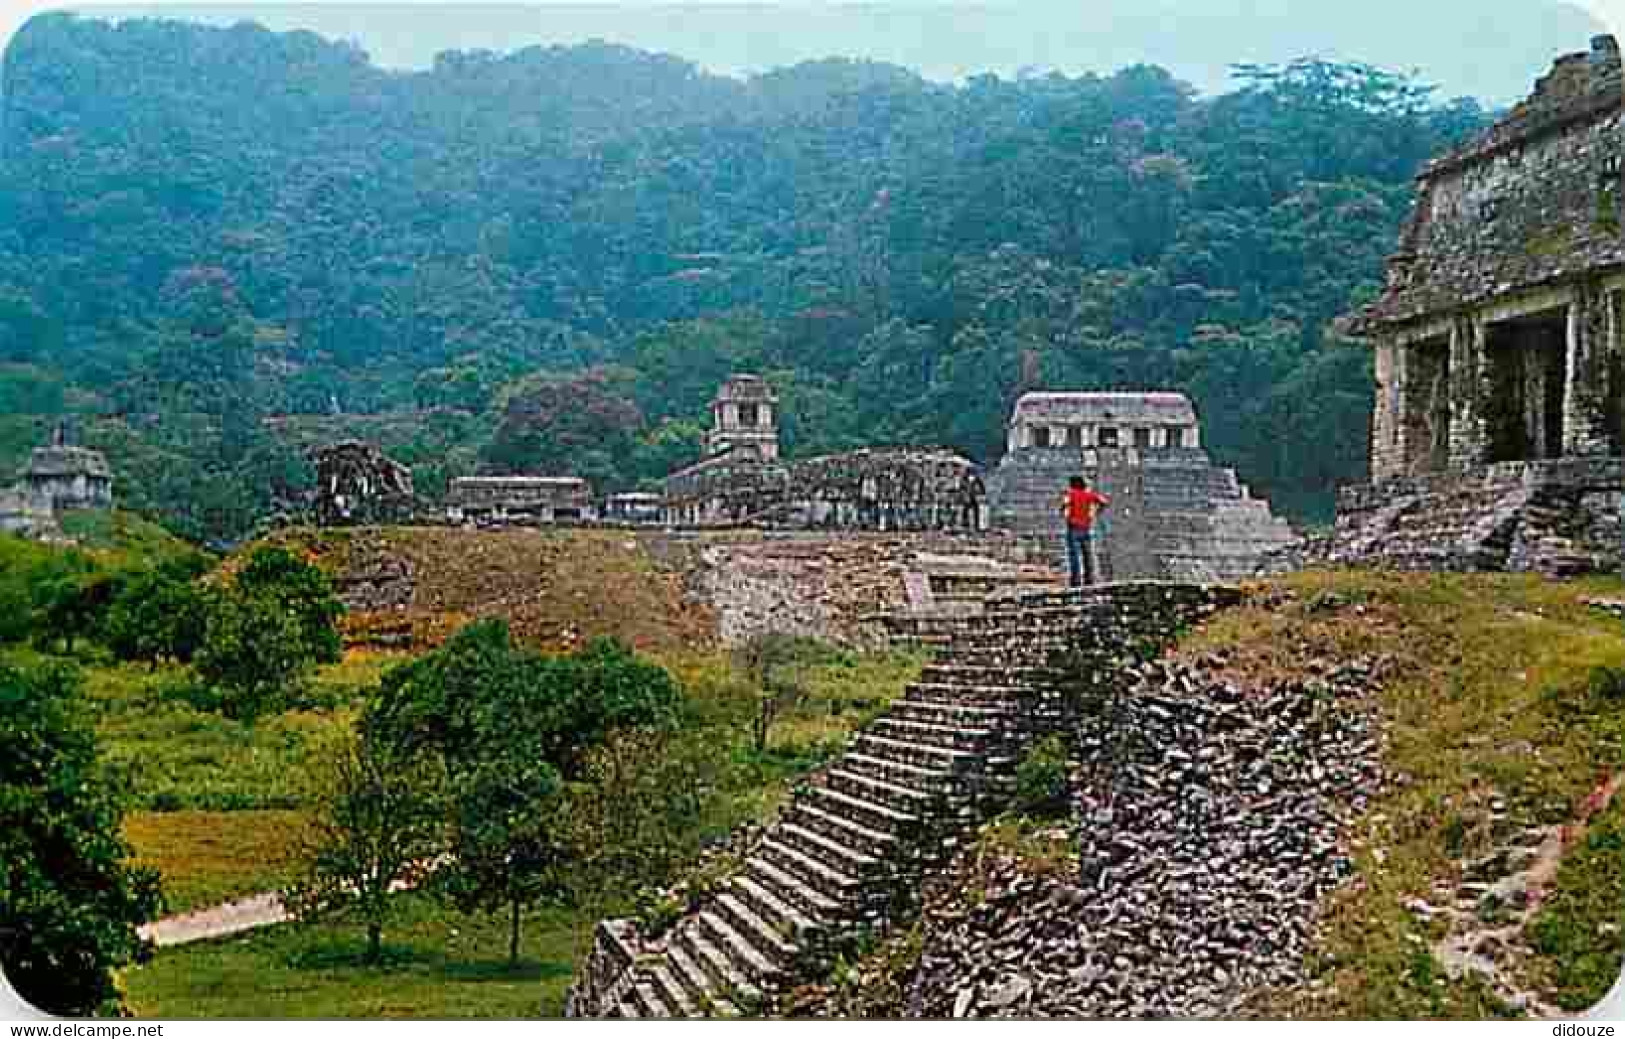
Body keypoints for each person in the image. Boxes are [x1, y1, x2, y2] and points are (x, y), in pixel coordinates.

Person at [1060, 476, 1110, 588]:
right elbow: (1104, 502)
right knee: (1087, 555)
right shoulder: (1088, 494)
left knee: (1074, 556)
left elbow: (1064, 505)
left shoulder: (1071, 494)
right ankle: (1089, 579)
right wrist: (1095, 513)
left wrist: (1065, 514)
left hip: (1073, 527)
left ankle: (1076, 581)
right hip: (1086, 527)